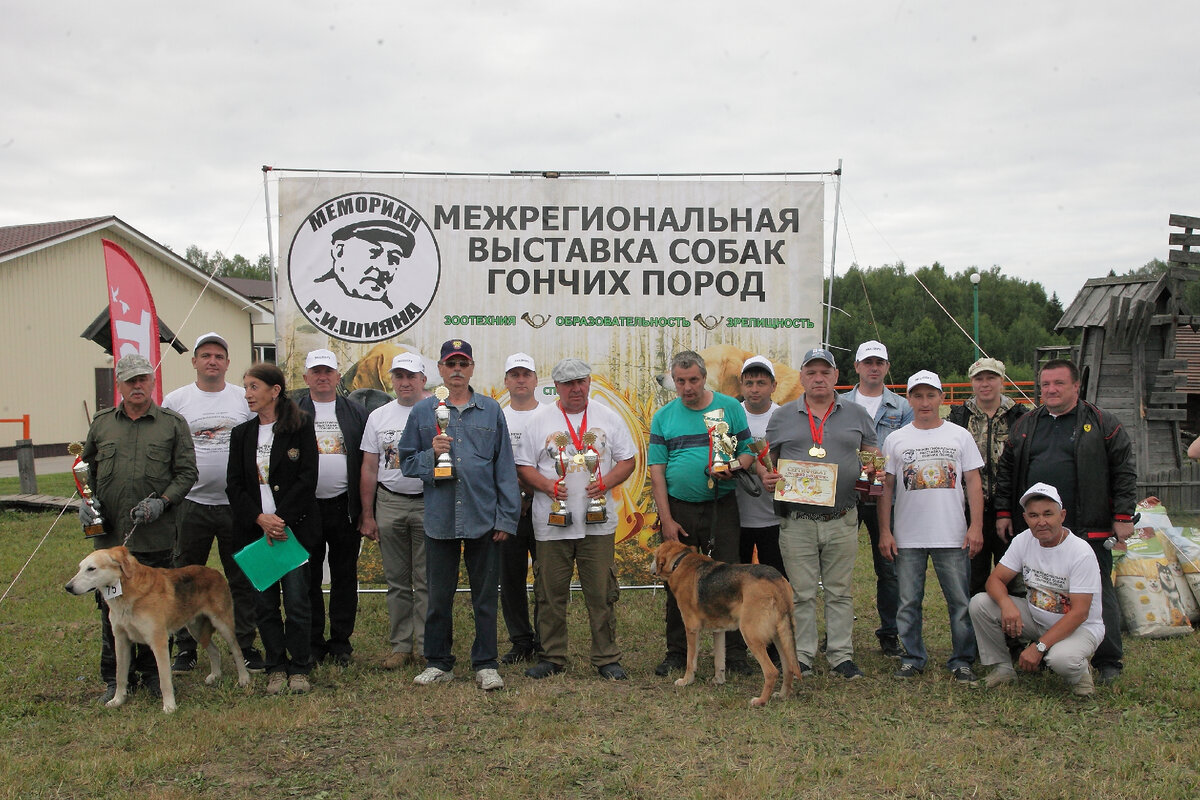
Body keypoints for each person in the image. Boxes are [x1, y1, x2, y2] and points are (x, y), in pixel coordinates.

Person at [994, 358, 1136, 684]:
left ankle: (1108, 661)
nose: (1051, 390)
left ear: (1076, 386)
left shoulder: (1102, 423)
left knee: (1098, 594)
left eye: (1059, 383)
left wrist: (1123, 515)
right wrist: (1004, 512)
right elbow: (1006, 472)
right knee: (1040, 591)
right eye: (1045, 384)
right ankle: (1044, 649)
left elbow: (1124, 472)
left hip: (1090, 525)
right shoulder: (1026, 424)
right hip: (1039, 527)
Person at [397, 339, 520, 691]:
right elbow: (405, 462)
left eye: (463, 363)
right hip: (440, 519)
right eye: (451, 364)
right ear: (439, 370)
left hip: (483, 519)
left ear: (472, 368)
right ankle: (439, 662)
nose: (457, 370)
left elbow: (504, 467)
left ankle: (485, 664)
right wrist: (430, 455)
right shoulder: (423, 412)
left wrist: (505, 518)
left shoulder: (491, 410)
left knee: (485, 596)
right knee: (438, 597)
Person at [80, 353, 197, 703]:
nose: (137, 385)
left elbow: (187, 473)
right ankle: (114, 679)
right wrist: (85, 506)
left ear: (152, 382)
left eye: (143, 379)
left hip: (153, 535)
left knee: (152, 605)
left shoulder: (171, 424)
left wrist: (163, 500)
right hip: (111, 539)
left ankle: (150, 675)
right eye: (131, 380)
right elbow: (87, 472)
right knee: (111, 607)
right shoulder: (102, 424)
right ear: (119, 384)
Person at [515, 358, 637, 680]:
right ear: (556, 386)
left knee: (601, 593)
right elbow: (523, 466)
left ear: (588, 382)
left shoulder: (607, 417)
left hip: (598, 522)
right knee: (550, 592)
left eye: (581, 381)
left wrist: (607, 482)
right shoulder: (539, 420)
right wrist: (546, 486)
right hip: (551, 522)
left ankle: (607, 657)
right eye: (568, 383)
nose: (576, 388)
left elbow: (628, 459)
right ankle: (552, 656)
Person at [761, 348, 876, 679]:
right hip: (797, 521)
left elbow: (872, 454)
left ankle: (841, 655)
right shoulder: (782, 416)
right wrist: (765, 476)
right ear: (801, 378)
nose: (818, 378)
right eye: (811, 373)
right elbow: (766, 459)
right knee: (802, 593)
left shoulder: (856, 414)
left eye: (825, 372)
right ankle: (803, 656)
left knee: (840, 590)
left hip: (842, 517)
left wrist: (872, 468)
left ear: (836, 377)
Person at [649, 350, 755, 677]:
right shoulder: (663, 417)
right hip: (679, 509)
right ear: (674, 380)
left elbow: (748, 452)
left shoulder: (731, 407)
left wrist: (732, 467)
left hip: (721, 506)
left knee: (729, 578)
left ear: (704, 377)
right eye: (680, 381)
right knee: (677, 584)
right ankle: (677, 654)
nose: (687, 387)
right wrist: (666, 519)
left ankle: (736, 656)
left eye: (693, 380)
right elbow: (656, 472)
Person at [161, 332, 262, 674]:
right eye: (205, 355)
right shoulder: (176, 401)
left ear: (227, 363)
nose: (212, 361)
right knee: (183, 579)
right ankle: (185, 649)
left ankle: (246, 645)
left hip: (236, 506)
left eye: (219, 356)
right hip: (191, 504)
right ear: (194, 362)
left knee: (242, 577)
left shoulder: (243, 398)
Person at [878, 370, 984, 685]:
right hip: (909, 536)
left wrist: (975, 525)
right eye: (918, 396)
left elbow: (974, 481)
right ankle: (913, 658)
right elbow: (886, 488)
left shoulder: (959, 435)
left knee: (960, 603)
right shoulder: (896, 439)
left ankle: (963, 659)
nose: (924, 402)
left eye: (930, 395)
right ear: (908, 399)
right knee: (908, 601)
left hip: (952, 534)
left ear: (941, 398)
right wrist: (886, 530)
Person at [227, 364, 319, 695]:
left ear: (274, 391)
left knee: (296, 601)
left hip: (291, 531)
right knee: (264, 604)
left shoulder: (300, 427)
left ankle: (299, 667)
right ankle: (275, 666)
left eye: (253, 387)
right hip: (256, 533)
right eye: (246, 387)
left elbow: (308, 479)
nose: (248, 393)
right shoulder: (242, 434)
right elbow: (234, 486)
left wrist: (280, 520)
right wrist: (260, 519)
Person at [969, 482, 1103, 696]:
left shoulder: (1080, 552)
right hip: (1037, 618)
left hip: (1079, 628)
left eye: (1048, 514)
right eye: (1033, 515)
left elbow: (1080, 613)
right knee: (980, 603)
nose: (1041, 522)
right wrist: (1006, 605)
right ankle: (1002, 668)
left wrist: (1039, 647)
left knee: (1060, 659)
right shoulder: (1024, 540)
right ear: (1025, 519)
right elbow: (995, 580)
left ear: (1062, 515)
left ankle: (1080, 672)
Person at [359, 352, 432, 669]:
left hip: (430, 500)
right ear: (392, 380)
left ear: (422, 381)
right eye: (399, 376)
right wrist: (368, 514)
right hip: (389, 501)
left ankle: (428, 645)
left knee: (427, 579)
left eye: (411, 377)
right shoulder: (379, 416)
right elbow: (369, 467)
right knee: (397, 581)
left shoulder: (437, 412)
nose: (405, 382)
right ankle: (401, 647)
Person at [297, 349, 368, 666]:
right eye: (316, 371)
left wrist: (366, 509)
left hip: (344, 508)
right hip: (305, 509)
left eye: (328, 371)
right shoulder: (291, 411)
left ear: (338, 377)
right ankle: (312, 643)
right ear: (306, 378)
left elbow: (368, 462)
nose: (322, 376)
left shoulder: (356, 413)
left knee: (344, 576)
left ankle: (340, 643)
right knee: (307, 577)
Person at [842, 339, 911, 657]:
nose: (873, 367)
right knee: (837, 568)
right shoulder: (838, 403)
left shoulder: (902, 407)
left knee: (889, 568)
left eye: (879, 362)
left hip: (887, 498)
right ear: (856, 366)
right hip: (845, 496)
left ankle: (890, 633)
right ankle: (838, 636)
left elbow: (910, 450)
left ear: (886, 367)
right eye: (867, 362)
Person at [946, 357, 1028, 596]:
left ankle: (1014, 630)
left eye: (991, 377)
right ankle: (978, 628)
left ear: (1002, 381)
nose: (985, 383)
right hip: (970, 509)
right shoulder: (959, 417)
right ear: (972, 382)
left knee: (1013, 574)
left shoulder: (1020, 416)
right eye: (979, 378)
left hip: (1011, 508)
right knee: (974, 575)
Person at [498, 352, 541, 664]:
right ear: (506, 381)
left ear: (536, 380)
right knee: (510, 578)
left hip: (545, 507)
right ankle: (520, 641)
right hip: (507, 510)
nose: (521, 380)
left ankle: (547, 639)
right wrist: (516, 494)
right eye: (515, 374)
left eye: (526, 374)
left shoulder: (551, 416)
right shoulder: (496, 416)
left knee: (547, 578)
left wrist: (531, 490)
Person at [736, 356, 786, 579]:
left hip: (774, 517)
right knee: (736, 584)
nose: (754, 389)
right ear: (741, 385)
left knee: (777, 580)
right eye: (749, 383)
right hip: (735, 516)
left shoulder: (785, 417)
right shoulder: (729, 415)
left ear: (774, 386)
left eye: (761, 383)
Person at [316, 220, 414, 308]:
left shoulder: (396, 307)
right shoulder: (315, 293)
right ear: (339, 251)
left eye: (394, 259)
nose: (385, 268)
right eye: (374, 252)